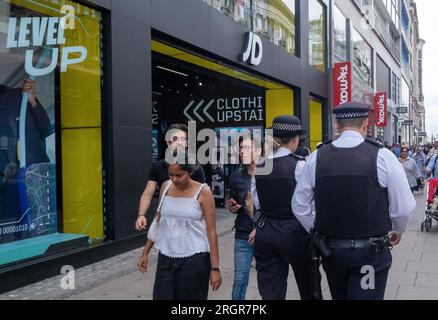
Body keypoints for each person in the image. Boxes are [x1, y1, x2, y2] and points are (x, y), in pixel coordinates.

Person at [292, 101, 416, 300]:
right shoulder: (383, 156)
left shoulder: (317, 157)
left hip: (332, 253)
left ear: (338, 125)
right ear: (366, 123)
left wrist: (316, 230)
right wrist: (398, 230)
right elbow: (403, 209)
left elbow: (299, 206)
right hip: (370, 255)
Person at [253, 115, 321, 300]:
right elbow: (309, 203)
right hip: (295, 232)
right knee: (309, 287)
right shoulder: (300, 165)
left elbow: (257, 202)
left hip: (266, 231)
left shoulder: (260, 165)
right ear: (295, 139)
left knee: (270, 291)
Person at [137, 155, 221, 300]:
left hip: (195, 258)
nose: (174, 179)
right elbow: (159, 222)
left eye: (179, 175)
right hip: (166, 257)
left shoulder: (203, 192)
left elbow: (211, 231)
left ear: (189, 172)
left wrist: (215, 268)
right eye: (171, 174)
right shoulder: (165, 187)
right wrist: (145, 252)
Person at [135, 124, 205, 231]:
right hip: (165, 222)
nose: (180, 142)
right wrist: (141, 215)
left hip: (190, 224)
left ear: (187, 143)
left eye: (183, 139)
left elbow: (204, 196)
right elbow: (148, 192)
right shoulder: (158, 166)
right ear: (168, 142)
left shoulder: (195, 166)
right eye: (175, 139)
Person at [0, 79, 51, 226]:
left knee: (38, 226)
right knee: (9, 229)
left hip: (34, 178)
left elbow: (45, 128)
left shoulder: (19, 96)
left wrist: (32, 100)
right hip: (5, 186)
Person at [227, 135, 262, 300]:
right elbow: (232, 205)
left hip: (266, 235)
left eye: (246, 148)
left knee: (267, 281)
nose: (241, 151)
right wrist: (232, 207)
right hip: (242, 234)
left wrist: (259, 228)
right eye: (240, 148)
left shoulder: (269, 175)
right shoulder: (236, 177)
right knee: (240, 279)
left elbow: (275, 208)